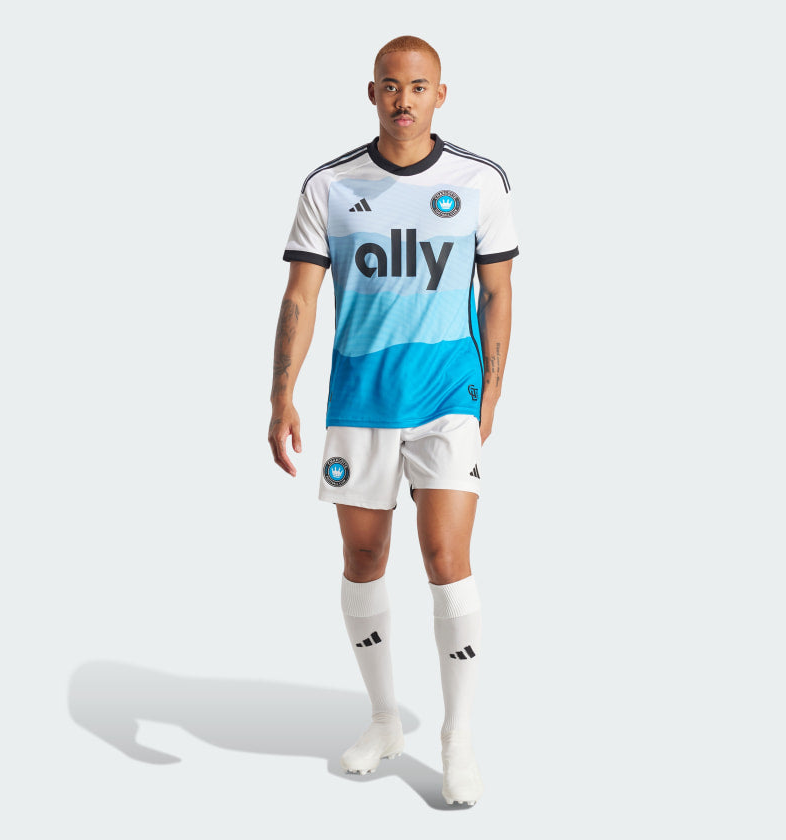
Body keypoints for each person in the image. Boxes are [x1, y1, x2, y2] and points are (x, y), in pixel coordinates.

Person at [268, 35, 517, 806]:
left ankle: (457, 739)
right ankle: (383, 721)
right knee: (364, 556)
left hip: (446, 397)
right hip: (361, 398)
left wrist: (490, 395)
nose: (403, 99)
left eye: (417, 86)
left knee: (446, 556)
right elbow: (301, 296)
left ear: (440, 94)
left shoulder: (479, 181)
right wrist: (281, 395)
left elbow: (498, 292)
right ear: (371, 93)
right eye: (389, 85)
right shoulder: (330, 185)